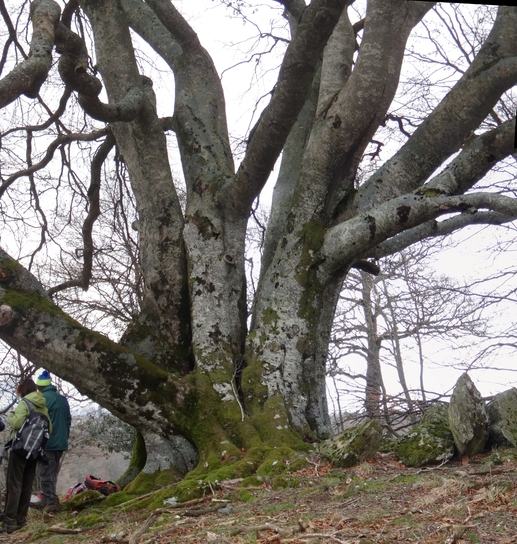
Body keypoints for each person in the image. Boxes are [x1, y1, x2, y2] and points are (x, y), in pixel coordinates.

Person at [2, 378, 51, 534]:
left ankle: (9, 522)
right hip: (35, 451)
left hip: (19, 448)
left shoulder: (24, 404)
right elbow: (50, 427)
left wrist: (12, 414)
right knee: (26, 485)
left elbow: (16, 424)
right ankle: (21, 520)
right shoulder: (43, 406)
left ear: (22, 389)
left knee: (14, 484)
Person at [33, 370, 71, 513]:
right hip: (61, 441)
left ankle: (51, 502)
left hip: (47, 442)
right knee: (52, 471)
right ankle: (46, 499)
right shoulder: (62, 399)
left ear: (39, 387)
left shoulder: (42, 399)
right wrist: (64, 436)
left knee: (44, 473)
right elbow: (68, 420)